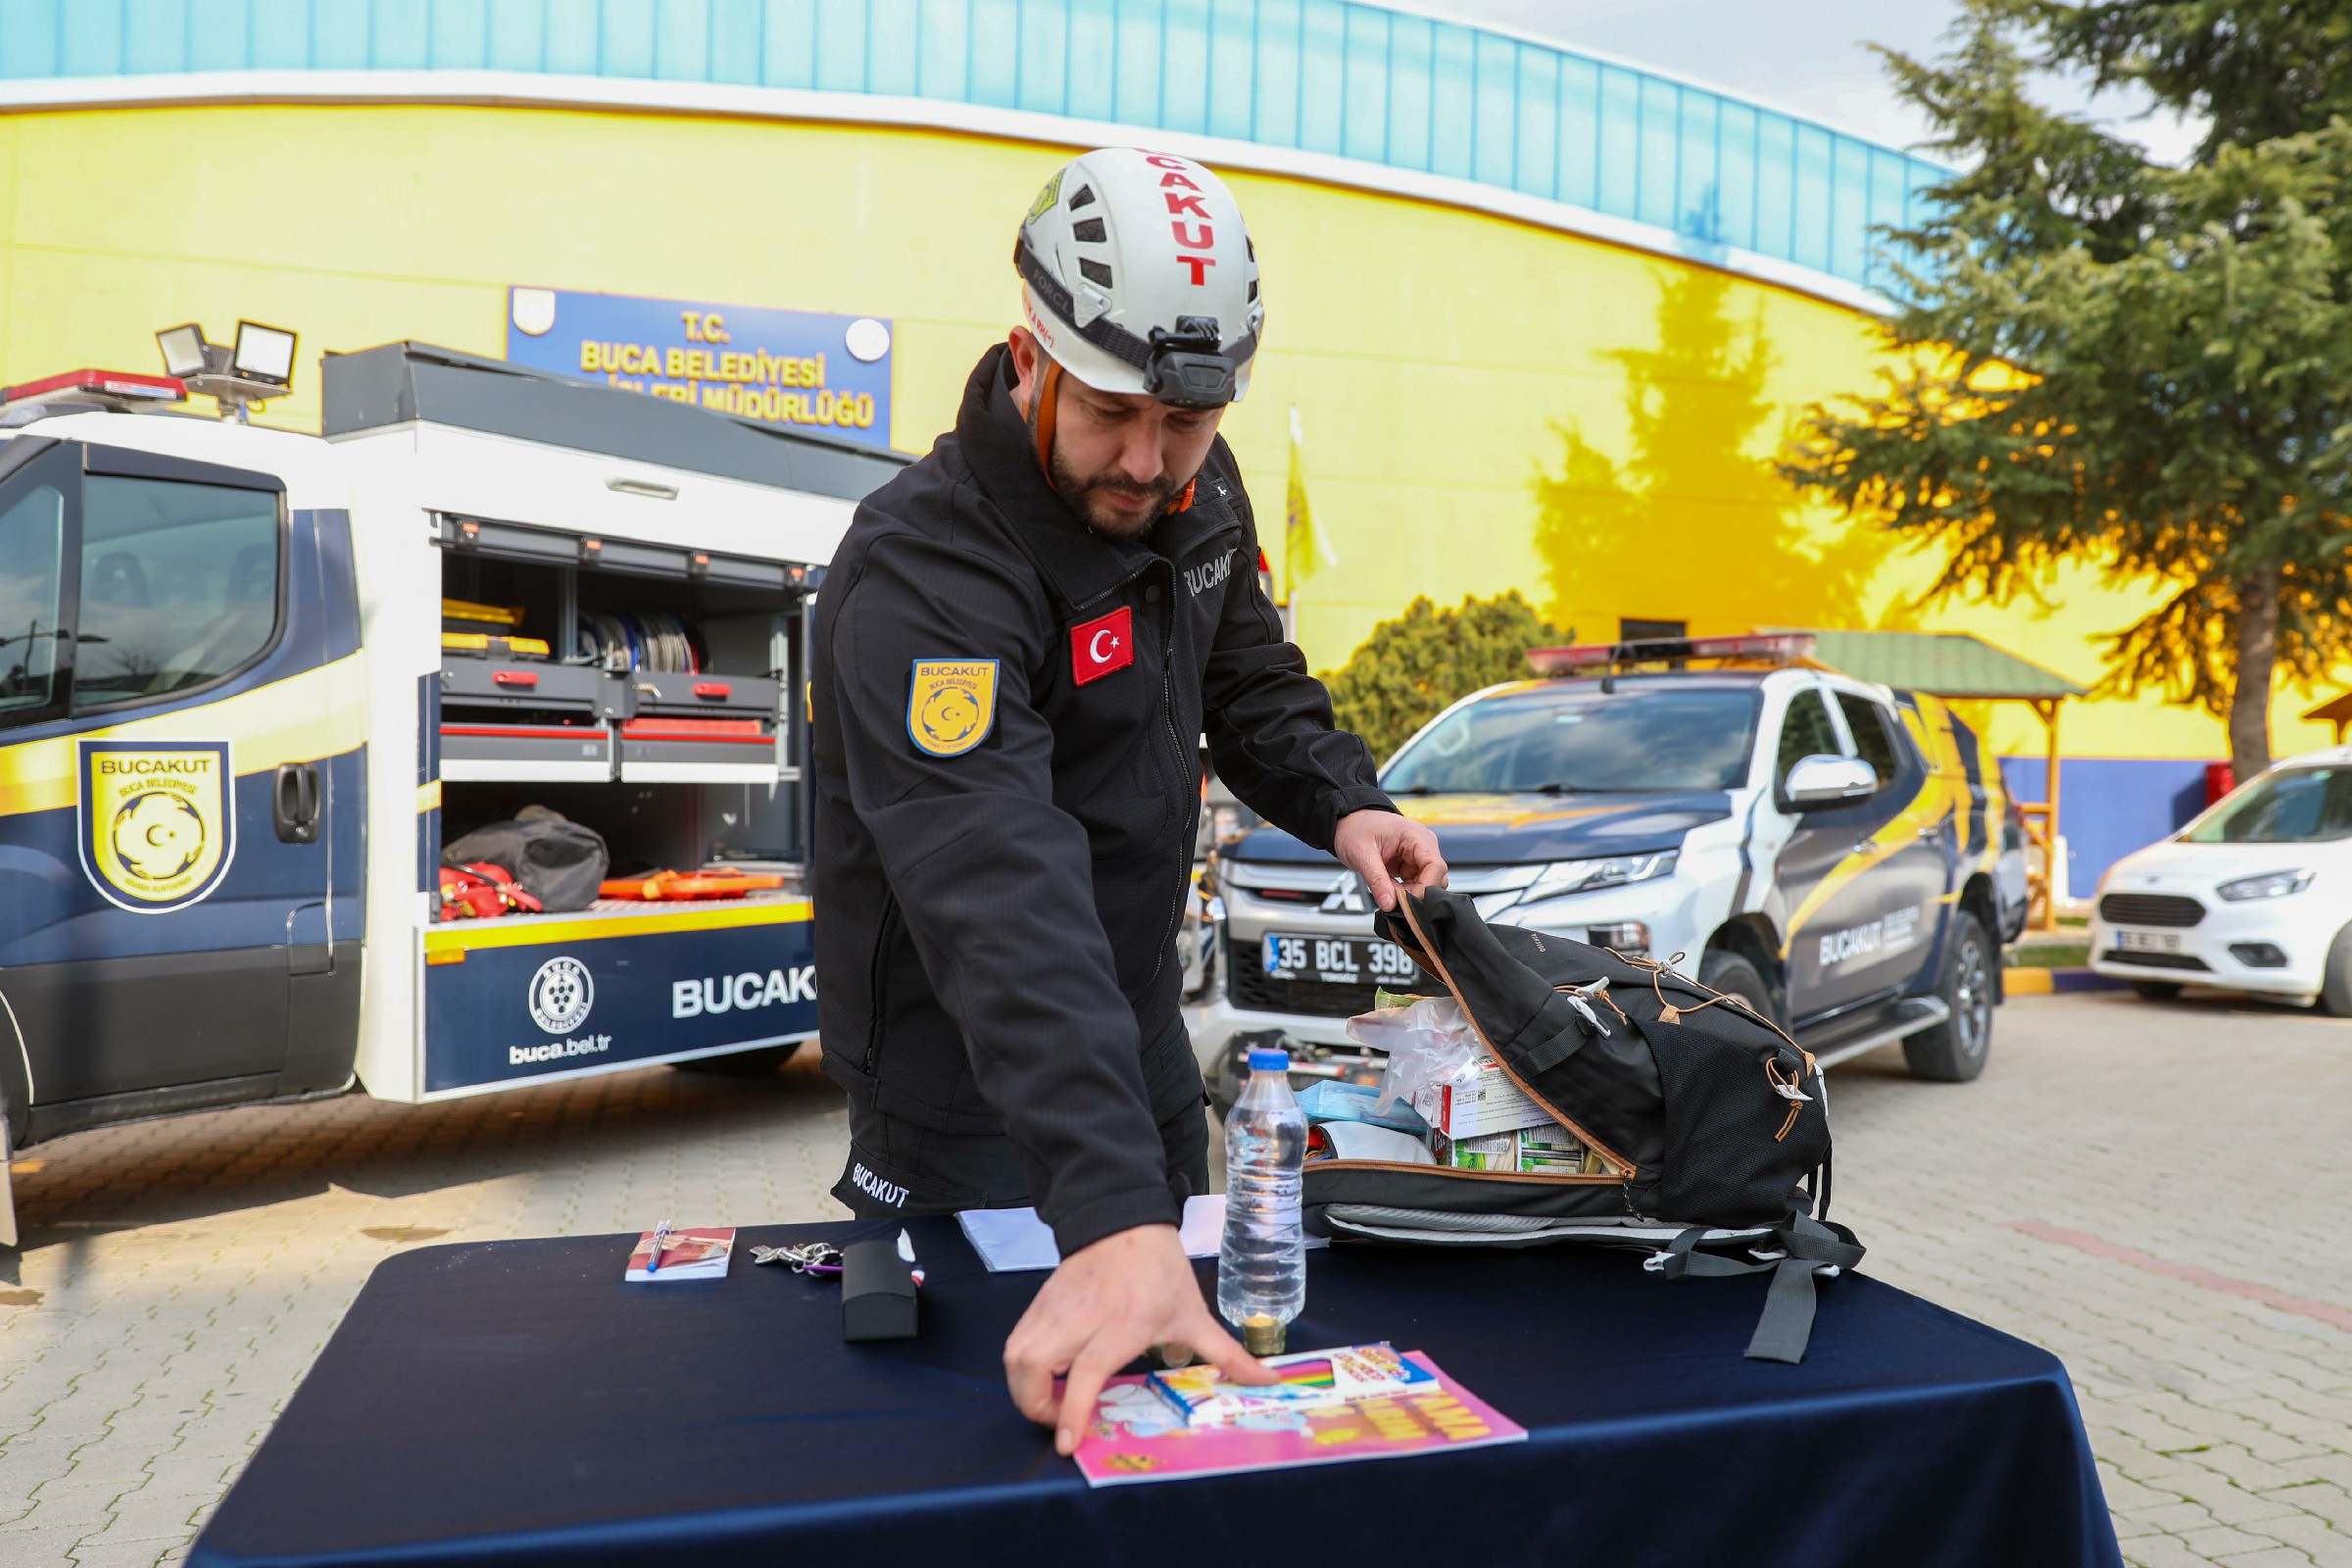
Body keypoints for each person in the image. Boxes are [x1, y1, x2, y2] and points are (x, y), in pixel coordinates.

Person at [808, 146, 1446, 1454]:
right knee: (987, 1446)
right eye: (1112, 413)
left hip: (1143, 1033)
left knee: (1182, 1388)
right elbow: (995, 883)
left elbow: (1251, 676)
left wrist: (1345, 804)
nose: (1150, 464)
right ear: (1029, 354)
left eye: (1188, 422)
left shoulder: (1198, 490)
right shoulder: (925, 571)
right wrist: (1106, 1211)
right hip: (971, 1074)